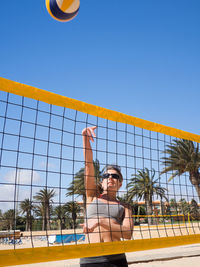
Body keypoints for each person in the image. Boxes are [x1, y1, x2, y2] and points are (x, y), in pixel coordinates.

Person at [80, 126, 133, 267]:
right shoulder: (91, 196)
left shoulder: (125, 206)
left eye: (114, 176)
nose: (110, 177)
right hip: (90, 259)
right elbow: (88, 165)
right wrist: (85, 139)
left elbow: (127, 233)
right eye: (106, 175)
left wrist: (101, 221)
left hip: (116, 259)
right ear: (101, 181)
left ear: (120, 184)